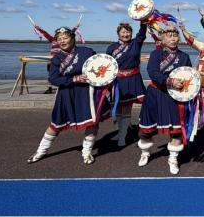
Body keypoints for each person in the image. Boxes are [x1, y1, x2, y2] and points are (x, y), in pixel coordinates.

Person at [27, 26, 109, 165]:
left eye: (65, 38)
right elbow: (53, 79)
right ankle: (41, 151)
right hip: (66, 94)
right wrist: (74, 79)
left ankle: (87, 152)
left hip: (86, 93)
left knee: (92, 122)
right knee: (56, 124)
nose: (62, 41)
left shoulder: (87, 52)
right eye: (59, 39)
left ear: (72, 38)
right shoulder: (56, 59)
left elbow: (101, 65)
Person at [137, 25, 193, 174]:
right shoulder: (156, 54)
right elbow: (152, 72)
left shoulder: (184, 57)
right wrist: (170, 81)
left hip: (174, 97)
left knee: (176, 130)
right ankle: (145, 152)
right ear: (162, 39)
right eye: (169, 36)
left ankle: (173, 158)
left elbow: (189, 76)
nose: (173, 39)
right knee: (146, 130)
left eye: (175, 36)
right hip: (155, 94)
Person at [106, 21, 147, 146]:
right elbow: (107, 65)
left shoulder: (136, 43)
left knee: (127, 109)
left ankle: (122, 137)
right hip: (117, 81)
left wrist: (143, 22)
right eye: (123, 32)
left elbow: (142, 33)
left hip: (133, 80)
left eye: (128, 32)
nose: (126, 34)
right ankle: (121, 132)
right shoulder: (111, 47)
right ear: (118, 34)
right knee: (119, 108)